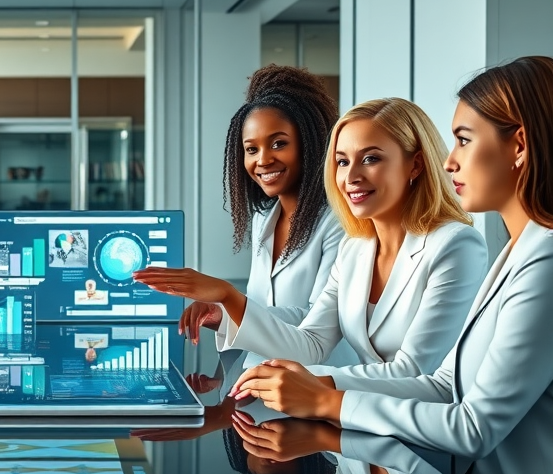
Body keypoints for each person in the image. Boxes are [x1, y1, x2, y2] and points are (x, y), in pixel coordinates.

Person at [229, 56, 553, 474]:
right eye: (342, 161)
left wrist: (327, 400)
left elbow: (472, 425)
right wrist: (312, 383)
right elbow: (444, 385)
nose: (450, 161)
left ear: (518, 146)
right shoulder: (517, 251)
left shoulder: (524, 258)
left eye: (462, 140)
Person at [140, 97, 487, 380]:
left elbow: (415, 372)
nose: (351, 176)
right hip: (356, 436)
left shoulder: (456, 245)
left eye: (370, 159)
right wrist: (228, 298)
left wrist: (316, 389)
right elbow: (311, 344)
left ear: (415, 166)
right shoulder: (357, 250)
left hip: (419, 442)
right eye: (341, 161)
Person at [170, 66, 348, 363]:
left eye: (279, 143)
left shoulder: (338, 223)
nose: (263, 160)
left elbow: (317, 321)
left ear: (309, 143)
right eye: (251, 149)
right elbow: (260, 307)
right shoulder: (263, 219)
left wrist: (228, 298)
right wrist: (222, 314)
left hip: (318, 380)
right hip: (261, 375)